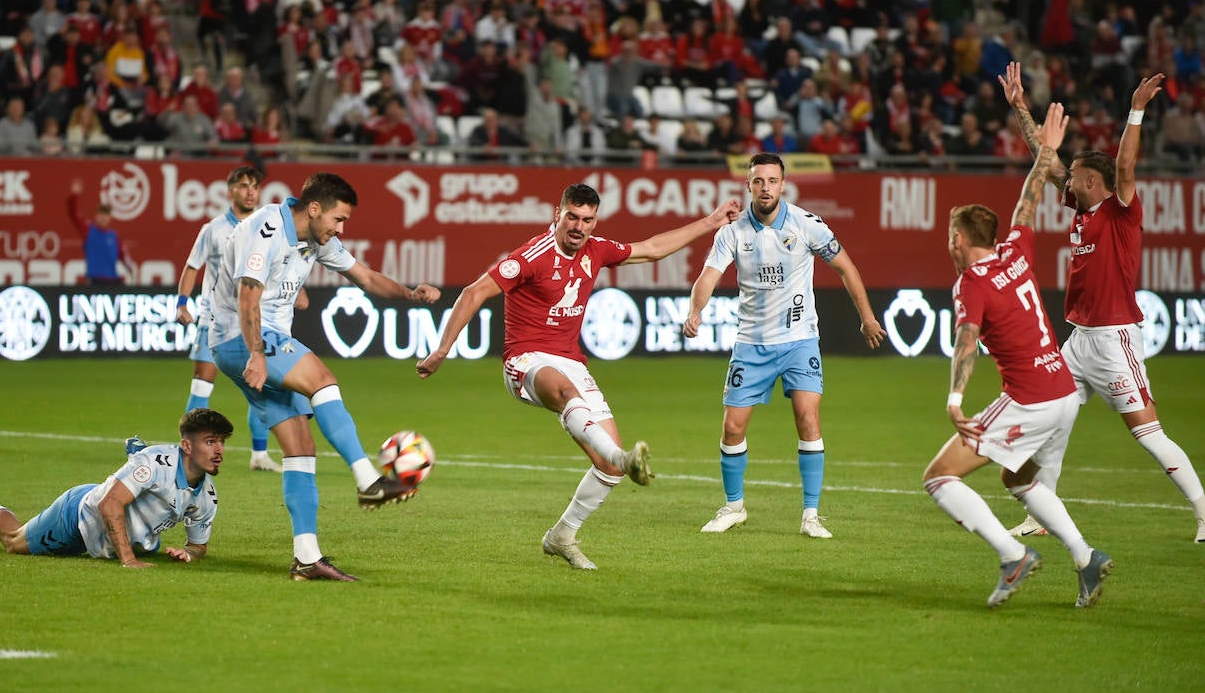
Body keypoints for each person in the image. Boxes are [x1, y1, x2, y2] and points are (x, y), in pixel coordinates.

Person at [417, 184, 743, 571]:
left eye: (587, 219)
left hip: (571, 361)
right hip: (525, 361)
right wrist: (442, 349)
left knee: (610, 469)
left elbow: (653, 248)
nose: (578, 226)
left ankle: (562, 535)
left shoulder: (596, 250)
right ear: (558, 214)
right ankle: (621, 456)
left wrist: (710, 222)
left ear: (595, 221)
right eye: (571, 216)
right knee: (572, 398)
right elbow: (473, 293)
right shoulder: (531, 256)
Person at [1000, 63, 1205, 543]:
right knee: (1051, 417)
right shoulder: (1082, 208)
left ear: (1093, 181)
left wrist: (1135, 110)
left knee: (1147, 433)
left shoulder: (1119, 211)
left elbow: (1126, 168)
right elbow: (1045, 160)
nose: (1064, 181)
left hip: (1114, 340)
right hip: (1078, 340)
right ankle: (1041, 513)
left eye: (1074, 177)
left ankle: (1202, 507)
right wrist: (1020, 109)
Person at [921, 103, 1113, 609]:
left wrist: (955, 398)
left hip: (1031, 399)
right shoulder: (1016, 249)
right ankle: (1084, 556)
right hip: (1063, 392)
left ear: (960, 240)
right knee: (1016, 477)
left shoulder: (971, 282)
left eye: (949, 237)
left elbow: (967, 339)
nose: (948, 244)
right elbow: (1031, 193)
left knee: (939, 476)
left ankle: (1013, 555)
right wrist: (1043, 145)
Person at [208, 172, 442, 582]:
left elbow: (366, 278)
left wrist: (410, 294)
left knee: (301, 449)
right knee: (323, 379)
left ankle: (306, 559)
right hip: (241, 338)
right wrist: (257, 355)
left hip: (261, 341)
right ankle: (368, 479)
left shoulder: (318, 240)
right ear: (313, 208)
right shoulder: (265, 227)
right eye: (338, 219)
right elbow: (248, 294)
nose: (340, 229)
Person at [683, 153, 887, 539]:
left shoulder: (808, 225)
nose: (765, 188)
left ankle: (810, 515)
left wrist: (867, 317)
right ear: (748, 185)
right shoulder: (732, 232)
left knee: (808, 418)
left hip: (799, 341)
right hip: (751, 342)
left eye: (772, 181)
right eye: (758, 181)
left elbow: (846, 267)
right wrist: (696, 311)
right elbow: (707, 277)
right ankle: (734, 507)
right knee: (732, 426)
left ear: (783, 184)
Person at [0, 408, 234, 569]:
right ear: (186, 445)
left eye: (221, 442)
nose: (219, 449)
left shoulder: (207, 496)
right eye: (210, 442)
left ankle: (133, 460)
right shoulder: (158, 463)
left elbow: (198, 546)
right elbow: (108, 504)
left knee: (144, 490)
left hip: (110, 536)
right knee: (14, 543)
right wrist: (128, 560)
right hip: (81, 515)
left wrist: (188, 555)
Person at [175, 165, 289, 472]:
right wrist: (182, 303)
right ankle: (185, 454)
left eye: (255, 186)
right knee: (202, 387)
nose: (250, 191)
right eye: (243, 185)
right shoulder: (213, 229)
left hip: (254, 321)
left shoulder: (266, 229)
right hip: (215, 322)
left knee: (261, 387)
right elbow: (191, 267)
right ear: (231, 191)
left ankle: (260, 455)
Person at [68, 178, 135, 284]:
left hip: (113, 281)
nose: (103, 217)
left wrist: (130, 269)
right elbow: (74, 215)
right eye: (101, 214)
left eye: (106, 215)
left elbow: (123, 255)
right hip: (95, 281)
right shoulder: (89, 230)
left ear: (110, 218)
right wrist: (73, 196)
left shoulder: (114, 236)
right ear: (96, 215)